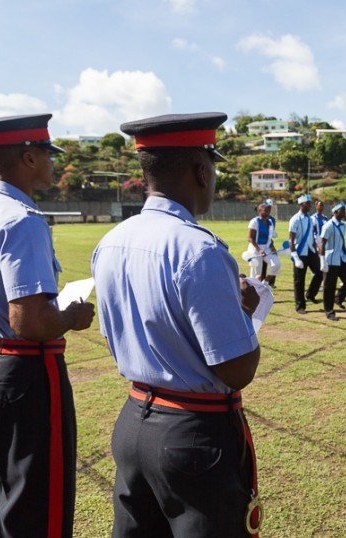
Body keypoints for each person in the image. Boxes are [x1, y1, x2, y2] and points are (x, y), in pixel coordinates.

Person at [91, 112, 263, 537]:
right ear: (201, 171)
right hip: (192, 432)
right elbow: (237, 369)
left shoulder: (112, 241)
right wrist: (246, 312)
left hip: (134, 419)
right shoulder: (198, 249)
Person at [0, 114, 95, 538]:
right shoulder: (21, 218)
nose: (51, 162)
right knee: (38, 506)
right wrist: (72, 316)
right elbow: (30, 322)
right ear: (29, 156)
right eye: (48, 153)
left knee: (6, 496)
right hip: (27, 369)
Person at [319, 202, 346, 320]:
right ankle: (329, 311)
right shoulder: (328, 226)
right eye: (342, 211)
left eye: (345, 211)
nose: (345, 213)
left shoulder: (343, 225)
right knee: (329, 287)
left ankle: (338, 299)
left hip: (340, 259)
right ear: (335, 212)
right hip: (330, 260)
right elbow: (322, 243)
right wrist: (322, 260)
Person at [289, 194, 321, 314]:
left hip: (311, 251)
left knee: (320, 272)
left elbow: (310, 236)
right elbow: (291, 239)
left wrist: (316, 248)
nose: (310, 206)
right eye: (308, 204)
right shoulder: (295, 219)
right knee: (299, 280)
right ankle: (300, 306)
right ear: (302, 204)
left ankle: (310, 294)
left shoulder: (310, 219)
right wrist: (295, 256)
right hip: (300, 252)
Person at [245, 202, 280, 286]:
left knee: (276, 264)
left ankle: (266, 282)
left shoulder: (270, 222)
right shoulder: (254, 221)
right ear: (259, 211)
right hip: (255, 248)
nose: (267, 212)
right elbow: (250, 238)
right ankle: (253, 290)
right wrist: (259, 250)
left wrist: (272, 247)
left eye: (269, 210)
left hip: (267, 247)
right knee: (256, 274)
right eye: (265, 210)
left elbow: (269, 237)